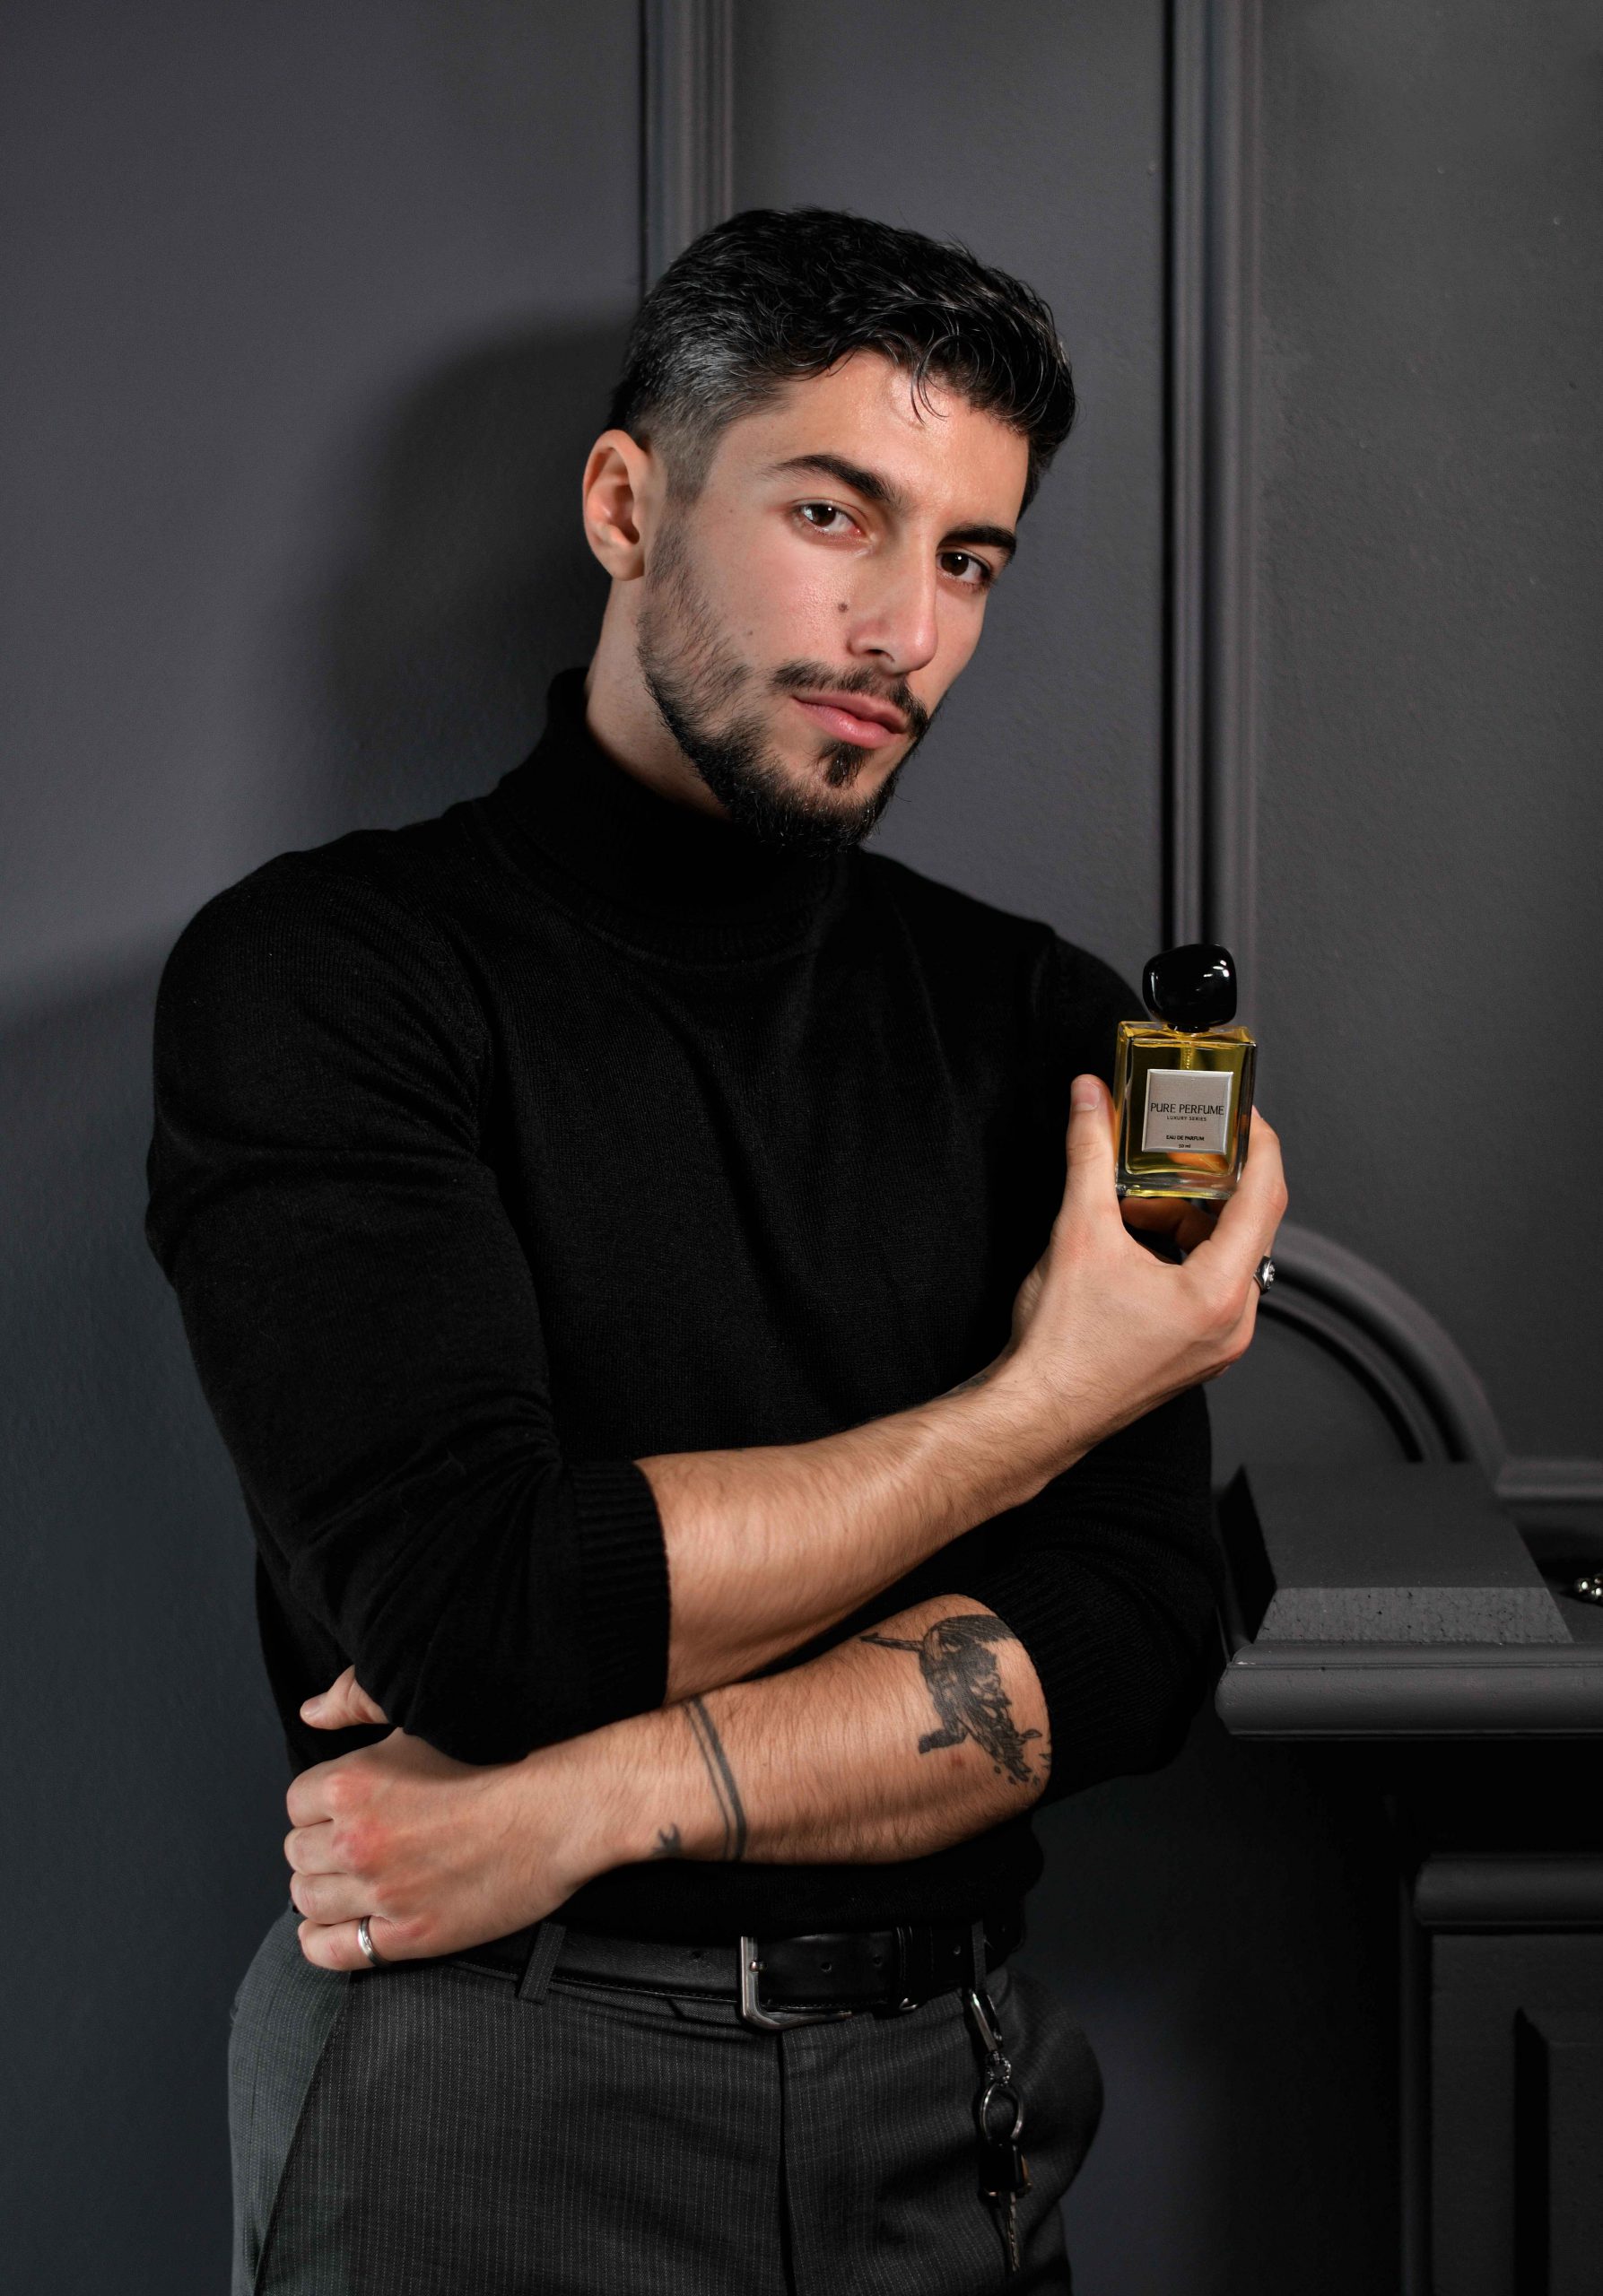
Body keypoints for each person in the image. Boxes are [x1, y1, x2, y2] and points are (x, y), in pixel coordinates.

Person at [144, 206, 1285, 2295]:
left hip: (955, 2091)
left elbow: (1128, 1639)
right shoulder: (331, 976)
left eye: (970, 558)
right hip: (489, 2071)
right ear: (625, 502)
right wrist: (1045, 1406)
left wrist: (595, 1788)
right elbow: (488, 1607)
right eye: (834, 513)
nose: (906, 629)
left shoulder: (1046, 1023)